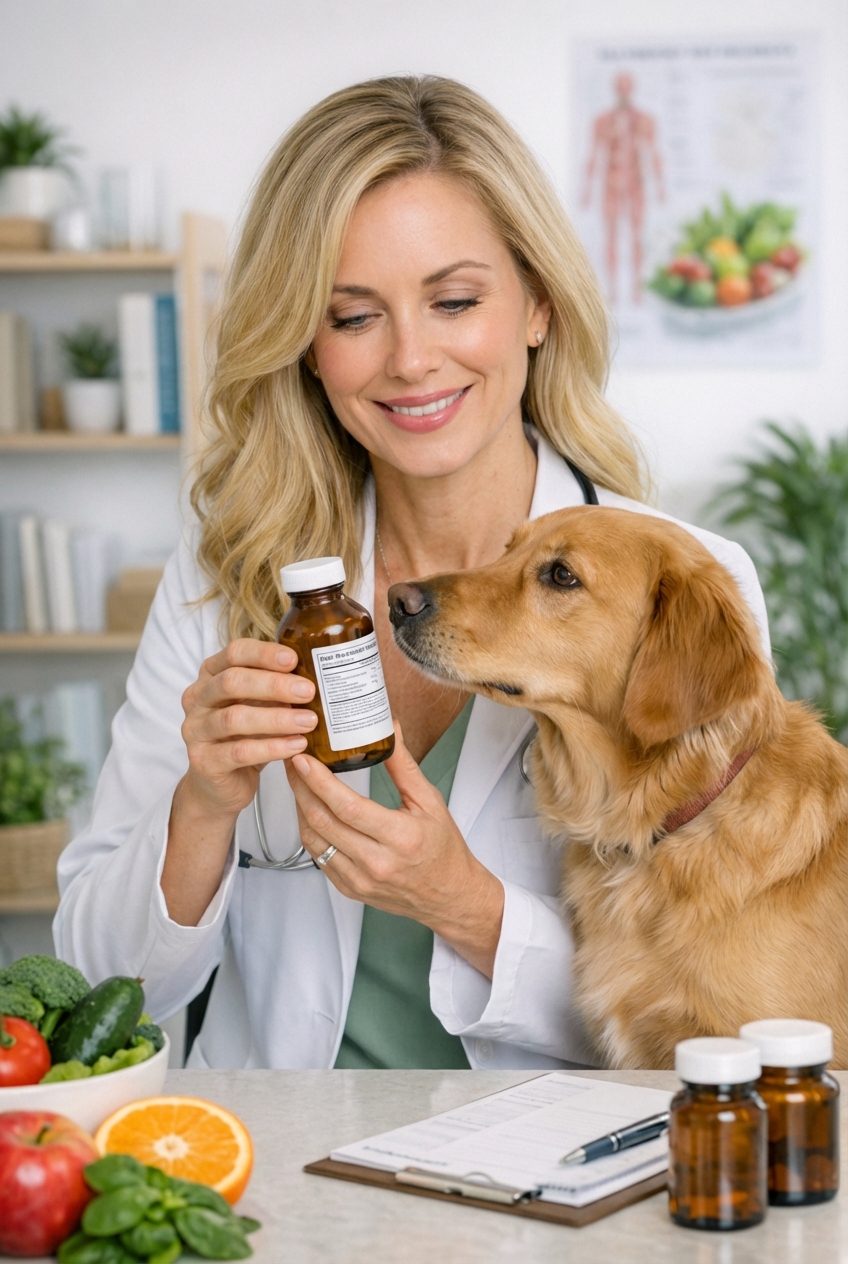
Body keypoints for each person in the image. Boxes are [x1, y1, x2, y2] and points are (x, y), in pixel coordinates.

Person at [54, 76, 769, 1071]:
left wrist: (465, 906)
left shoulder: (679, 588)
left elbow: (715, 1022)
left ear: (536, 305)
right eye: (352, 318)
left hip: (544, 1190)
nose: (410, 360)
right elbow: (96, 983)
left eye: (453, 301)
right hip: (280, 1184)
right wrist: (203, 807)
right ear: (304, 347)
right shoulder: (227, 576)